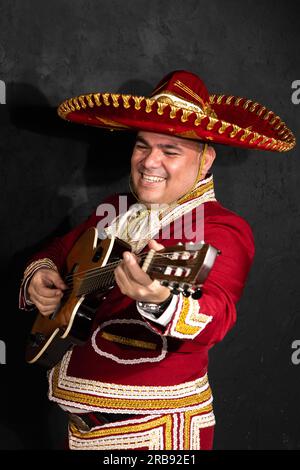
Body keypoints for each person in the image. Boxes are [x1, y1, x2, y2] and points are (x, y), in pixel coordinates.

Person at [19, 70, 295, 450]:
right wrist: (42, 273)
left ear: (206, 159)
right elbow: (58, 250)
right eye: (142, 146)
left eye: (170, 150)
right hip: (79, 430)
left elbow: (217, 314)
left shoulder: (221, 229)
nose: (149, 162)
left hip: (156, 433)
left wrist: (161, 301)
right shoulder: (114, 208)